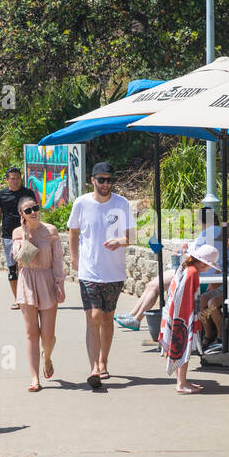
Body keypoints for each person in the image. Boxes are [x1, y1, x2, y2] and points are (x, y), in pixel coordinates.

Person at [68, 162, 135, 388]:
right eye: (101, 180)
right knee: (94, 317)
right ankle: (93, 367)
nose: (106, 184)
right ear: (92, 181)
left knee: (107, 319)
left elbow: (131, 236)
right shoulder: (82, 203)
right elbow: (74, 231)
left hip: (114, 272)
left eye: (109, 180)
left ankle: (104, 361)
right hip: (89, 270)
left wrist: (120, 241)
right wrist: (75, 259)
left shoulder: (122, 204)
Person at [115, 208, 223, 331]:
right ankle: (132, 315)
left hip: (199, 275)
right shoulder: (211, 233)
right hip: (194, 272)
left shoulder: (211, 232)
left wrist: (184, 250)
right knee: (151, 285)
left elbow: (198, 254)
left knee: (155, 285)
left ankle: (136, 318)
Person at [12, 194, 66, 392]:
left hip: (47, 280)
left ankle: (48, 356)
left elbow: (58, 260)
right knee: (31, 333)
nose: (33, 213)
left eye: (35, 208)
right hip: (27, 282)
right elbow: (22, 260)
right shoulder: (17, 233)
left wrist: (60, 284)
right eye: (28, 211)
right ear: (22, 215)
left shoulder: (51, 231)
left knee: (48, 335)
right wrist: (26, 235)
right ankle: (35, 378)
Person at [161, 243, 221, 393]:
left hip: (175, 313)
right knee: (184, 348)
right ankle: (181, 383)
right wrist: (194, 314)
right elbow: (186, 297)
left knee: (178, 349)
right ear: (202, 263)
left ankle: (182, 380)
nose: (209, 268)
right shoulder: (192, 272)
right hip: (182, 316)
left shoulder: (186, 267)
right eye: (209, 265)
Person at [0, 167, 38, 310]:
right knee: (12, 270)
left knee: (27, 267)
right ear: (7, 180)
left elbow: (35, 211)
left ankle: (31, 297)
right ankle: (18, 299)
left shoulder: (28, 193)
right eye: (12, 178)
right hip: (8, 236)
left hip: (26, 234)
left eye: (17, 178)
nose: (15, 181)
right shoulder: (2, 195)